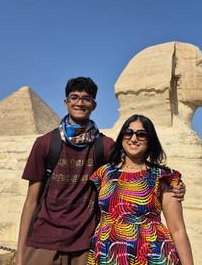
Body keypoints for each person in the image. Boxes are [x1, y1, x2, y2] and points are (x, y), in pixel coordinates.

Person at [15, 78, 186, 265]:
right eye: (74, 97)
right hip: (44, 240)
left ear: (93, 105)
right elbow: (31, 201)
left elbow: (135, 171)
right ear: (66, 102)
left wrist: (173, 184)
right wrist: (20, 252)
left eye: (86, 99)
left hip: (84, 243)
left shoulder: (104, 146)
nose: (79, 103)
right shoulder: (45, 143)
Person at [87, 114, 194, 265]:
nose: (134, 138)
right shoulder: (103, 174)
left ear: (150, 140)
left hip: (151, 256)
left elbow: (177, 229)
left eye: (141, 134)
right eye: (128, 133)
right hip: (107, 255)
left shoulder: (163, 177)